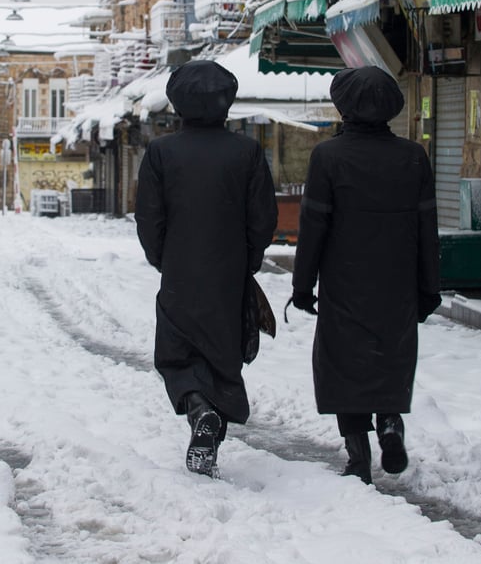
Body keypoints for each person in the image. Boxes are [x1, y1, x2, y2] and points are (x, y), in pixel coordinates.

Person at [288, 66, 441, 485]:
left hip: (343, 283)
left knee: (344, 366)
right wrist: (430, 287)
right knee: (389, 358)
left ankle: (358, 456)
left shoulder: (328, 157)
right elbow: (428, 226)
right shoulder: (413, 157)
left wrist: (303, 287)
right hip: (397, 283)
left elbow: (313, 226)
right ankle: (390, 421)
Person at [135, 60, 278, 477]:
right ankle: (210, 431)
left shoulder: (161, 152)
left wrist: (164, 258)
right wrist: (248, 259)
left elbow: (148, 217)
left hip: (180, 270)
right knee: (222, 356)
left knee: (177, 355)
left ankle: (198, 411)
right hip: (230, 272)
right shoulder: (247, 152)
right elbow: (263, 217)